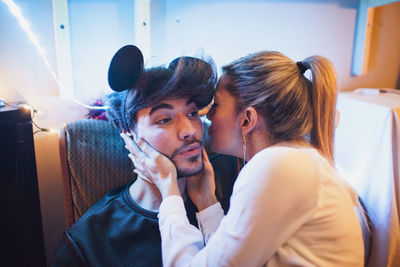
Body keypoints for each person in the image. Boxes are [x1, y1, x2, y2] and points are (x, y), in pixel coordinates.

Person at [123, 51, 366, 266]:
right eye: (164, 119)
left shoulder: (277, 167)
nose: (206, 120)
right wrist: (207, 201)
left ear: (247, 119)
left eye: (215, 105)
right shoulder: (295, 160)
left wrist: (170, 192)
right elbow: (235, 256)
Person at [51, 46, 239, 266]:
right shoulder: (88, 242)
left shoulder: (234, 185)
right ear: (129, 133)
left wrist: (208, 203)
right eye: (164, 120)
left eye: (192, 113)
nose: (189, 129)